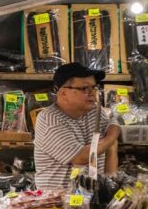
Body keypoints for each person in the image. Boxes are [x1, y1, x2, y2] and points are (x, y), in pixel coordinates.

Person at [34, 62, 120, 190]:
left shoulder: (96, 112)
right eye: (84, 88)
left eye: (94, 87)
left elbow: (113, 125)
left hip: (93, 195)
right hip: (56, 200)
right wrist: (111, 138)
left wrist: (109, 186)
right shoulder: (49, 119)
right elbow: (81, 157)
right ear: (63, 93)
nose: (92, 93)